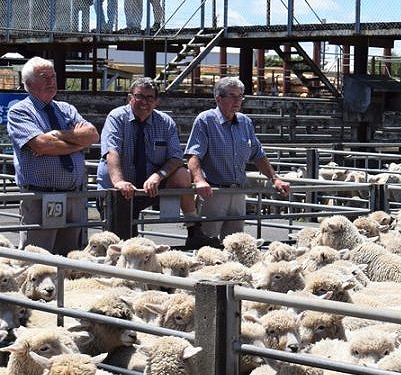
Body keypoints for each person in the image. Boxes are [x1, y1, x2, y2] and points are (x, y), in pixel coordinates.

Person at [97, 78, 209, 247]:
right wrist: (119, 182)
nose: (144, 102)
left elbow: (176, 157)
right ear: (130, 98)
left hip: (150, 186)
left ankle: (194, 228)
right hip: (121, 188)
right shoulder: (116, 117)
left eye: (150, 98)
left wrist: (158, 176)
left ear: (157, 101)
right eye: (139, 96)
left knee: (182, 175)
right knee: (122, 244)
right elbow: (112, 151)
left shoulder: (165, 122)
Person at [7, 57, 99, 254]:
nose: (52, 81)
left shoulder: (66, 109)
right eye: (45, 77)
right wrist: (77, 144)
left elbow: (92, 135)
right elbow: (42, 145)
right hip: (40, 196)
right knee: (37, 257)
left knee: (71, 257)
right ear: (29, 84)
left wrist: (57, 135)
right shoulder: (20, 112)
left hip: (73, 196)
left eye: (53, 76)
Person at [185, 77, 290, 243]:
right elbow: (193, 154)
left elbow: (258, 154)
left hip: (239, 191)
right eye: (232, 96)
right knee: (207, 242)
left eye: (240, 96)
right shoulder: (205, 120)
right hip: (214, 192)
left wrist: (275, 178)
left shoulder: (245, 122)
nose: (238, 100)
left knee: (236, 244)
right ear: (218, 98)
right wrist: (199, 180)